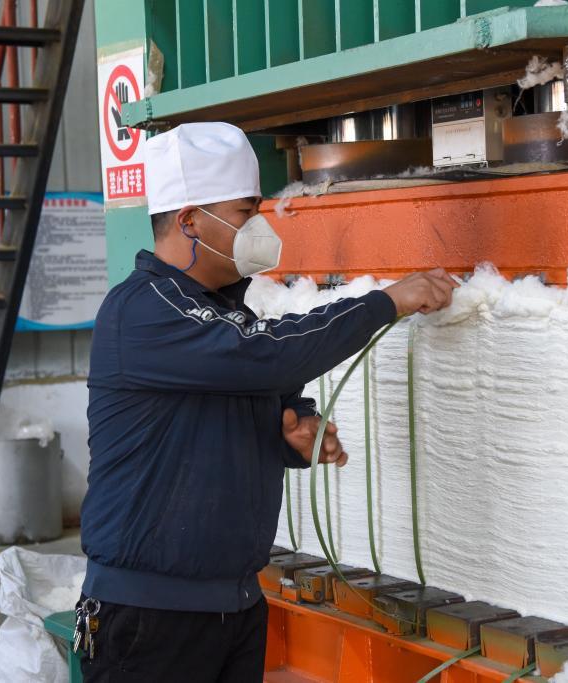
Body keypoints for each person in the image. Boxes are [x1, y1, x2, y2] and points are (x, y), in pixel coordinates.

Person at [77, 122, 458, 681]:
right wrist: (385, 302)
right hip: (151, 618)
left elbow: (268, 389)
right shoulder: (141, 310)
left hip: (233, 607)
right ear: (189, 221)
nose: (258, 226)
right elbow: (264, 357)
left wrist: (297, 427)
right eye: (243, 211)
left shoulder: (229, 314)